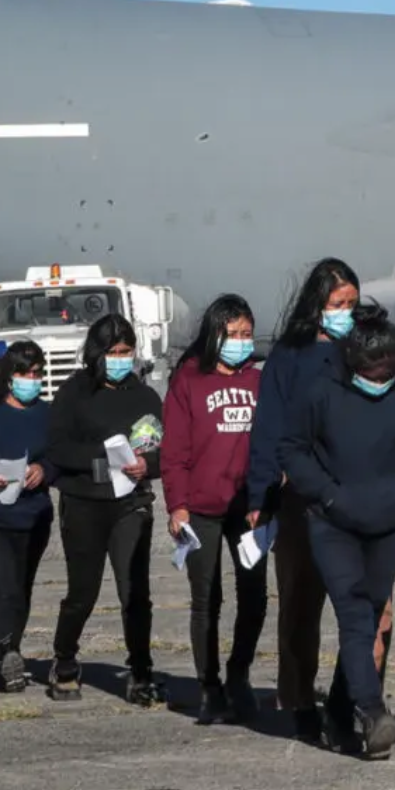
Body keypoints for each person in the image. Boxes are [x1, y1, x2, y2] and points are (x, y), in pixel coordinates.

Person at [279, 305, 395, 760]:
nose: (378, 378)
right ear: (351, 362)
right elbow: (292, 451)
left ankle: (338, 709)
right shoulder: (319, 389)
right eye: (369, 370)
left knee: (372, 616)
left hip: (387, 522)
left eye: (386, 369)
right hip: (332, 522)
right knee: (353, 615)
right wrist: (327, 495)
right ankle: (373, 714)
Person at [245, 258, 365, 743]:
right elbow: (267, 429)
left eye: (352, 305)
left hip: (358, 496)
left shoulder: (362, 350)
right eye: (338, 305)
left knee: (366, 608)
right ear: (316, 305)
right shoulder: (288, 358)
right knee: (299, 603)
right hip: (299, 499)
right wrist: (260, 494)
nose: (346, 313)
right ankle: (298, 701)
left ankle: (347, 700)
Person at [45, 314, 166, 704]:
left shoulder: (146, 397)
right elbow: (57, 448)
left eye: (126, 351)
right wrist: (102, 456)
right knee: (83, 591)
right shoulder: (74, 392)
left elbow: (168, 451)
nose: (120, 358)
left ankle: (141, 670)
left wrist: (148, 464)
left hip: (131, 503)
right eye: (112, 352)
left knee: (135, 592)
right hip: (84, 502)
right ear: (97, 354)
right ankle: (64, 658)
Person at [163, 295, 267, 726]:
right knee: (207, 599)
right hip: (201, 510)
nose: (241, 342)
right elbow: (174, 453)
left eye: (247, 334)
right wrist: (178, 506)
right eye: (233, 334)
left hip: (248, 511)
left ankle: (238, 674)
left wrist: (266, 499)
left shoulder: (259, 382)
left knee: (255, 597)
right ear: (214, 334)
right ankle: (209, 687)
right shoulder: (188, 380)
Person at [0, 341, 58, 694]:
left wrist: (42, 469)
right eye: (24, 374)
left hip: (34, 517)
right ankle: (7, 652)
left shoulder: (47, 416)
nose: (31, 380)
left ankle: (7, 652)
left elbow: (60, 458)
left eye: (36, 374)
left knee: (20, 589)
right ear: (9, 376)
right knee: (1, 586)